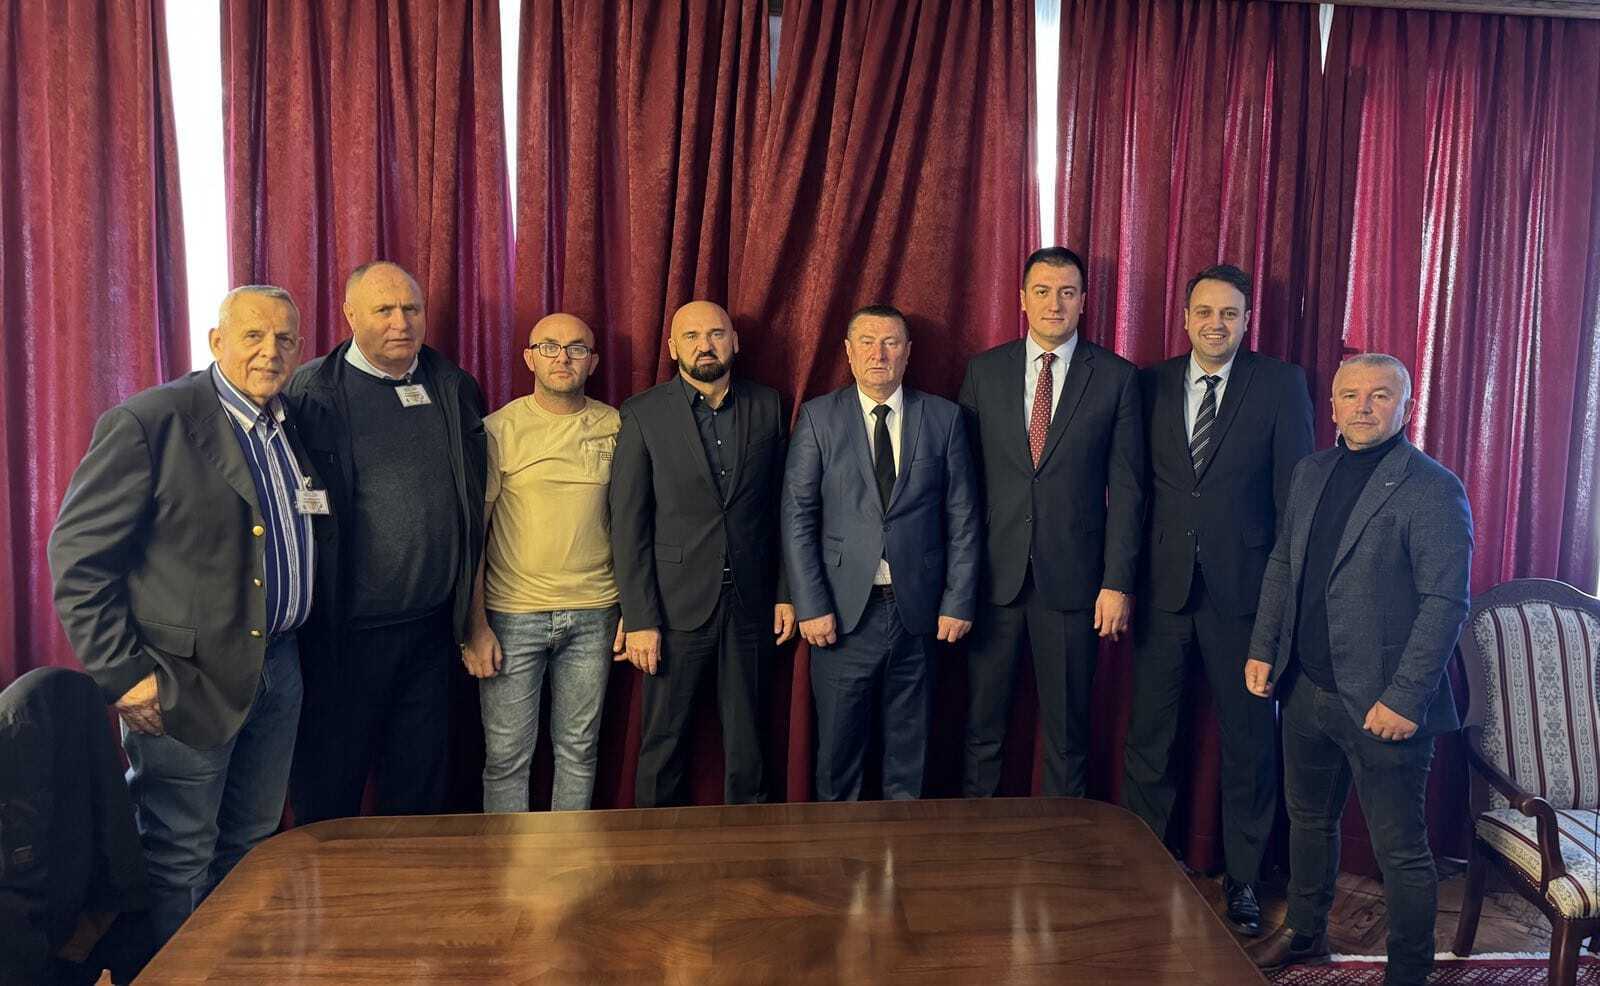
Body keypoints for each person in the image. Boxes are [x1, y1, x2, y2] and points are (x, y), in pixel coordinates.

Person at [48, 285, 328, 944]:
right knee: (179, 856)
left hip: (279, 667)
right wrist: (123, 675)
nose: (270, 351)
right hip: (184, 677)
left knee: (253, 842)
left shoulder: (288, 423)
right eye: (253, 335)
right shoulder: (151, 422)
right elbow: (78, 557)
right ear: (216, 342)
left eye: (285, 338)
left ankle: (234, 966)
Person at [1243, 354, 1473, 986]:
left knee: (1401, 851)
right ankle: (1304, 933)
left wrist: (1405, 697)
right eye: (1351, 395)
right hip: (1306, 689)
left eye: (1380, 395)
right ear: (1334, 405)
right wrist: (1265, 647)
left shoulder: (1432, 487)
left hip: (1384, 704)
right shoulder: (1311, 471)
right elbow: (1284, 565)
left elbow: (1446, 602)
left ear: (1406, 407)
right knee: (1308, 822)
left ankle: (1408, 972)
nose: (1363, 407)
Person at [1120, 264, 1315, 935]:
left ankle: (1245, 879)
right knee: (1150, 739)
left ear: (1247, 320)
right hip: (1163, 591)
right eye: (1204, 311)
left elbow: (1294, 503)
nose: (1215, 324)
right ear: (1184, 318)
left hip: (1246, 596)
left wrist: (1282, 607)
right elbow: (1135, 490)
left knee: (1249, 745)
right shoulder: (1149, 383)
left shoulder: (1281, 384)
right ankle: (1144, 866)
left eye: (1229, 313)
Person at [285, 261, 487, 822]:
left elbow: (476, 503)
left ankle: (409, 881)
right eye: (384, 310)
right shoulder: (310, 392)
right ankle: (329, 882)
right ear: (350, 314)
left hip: (432, 633)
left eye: (411, 309)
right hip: (344, 635)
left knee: (420, 790)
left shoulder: (453, 386)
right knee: (331, 787)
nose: (401, 322)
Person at [958, 246, 1145, 798]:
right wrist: (958, 580)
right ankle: (978, 832)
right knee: (983, 729)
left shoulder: (1115, 377)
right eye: (1042, 291)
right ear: (1022, 299)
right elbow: (960, 484)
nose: (1054, 304)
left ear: (1084, 301)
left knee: (1068, 736)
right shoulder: (984, 370)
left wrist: (1116, 582)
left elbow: (1128, 491)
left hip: (1074, 584)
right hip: (993, 580)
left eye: (1067, 292)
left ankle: (1066, 839)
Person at [782, 304, 980, 801]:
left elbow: (963, 518)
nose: (879, 353)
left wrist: (958, 600)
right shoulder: (819, 417)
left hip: (919, 613)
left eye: (890, 342)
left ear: (908, 353)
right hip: (843, 615)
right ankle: (838, 846)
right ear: (848, 353)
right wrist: (811, 605)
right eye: (867, 342)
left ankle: (901, 847)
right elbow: (797, 518)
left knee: (909, 754)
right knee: (839, 754)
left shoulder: (944, 418)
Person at [610, 301, 796, 807]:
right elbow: (628, 524)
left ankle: (750, 841)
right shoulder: (644, 412)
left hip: (752, 604)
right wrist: (640, 617)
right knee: (664, 740)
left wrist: (786, 592)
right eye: (691, 336)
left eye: (715, 334)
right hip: (674, 608)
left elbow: (784, 508)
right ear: (673, 348)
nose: (704, 345)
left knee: (750, 742)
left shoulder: (769, 406)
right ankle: (653, 844)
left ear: (735, 341)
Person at [462, 313, 621, 811]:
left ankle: (566, 856)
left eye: (577, 348)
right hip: (513, 616)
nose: (563, 358)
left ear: (593, 362)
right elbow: (475, 535)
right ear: (529, 358)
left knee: (579, 751)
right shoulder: (498, 430)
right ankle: (509, 857)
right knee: (507, 757)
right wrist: (475, 625)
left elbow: (636, 523)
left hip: (595, 612)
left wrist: (635, 611)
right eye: (549, 347)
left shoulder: (616, 426)